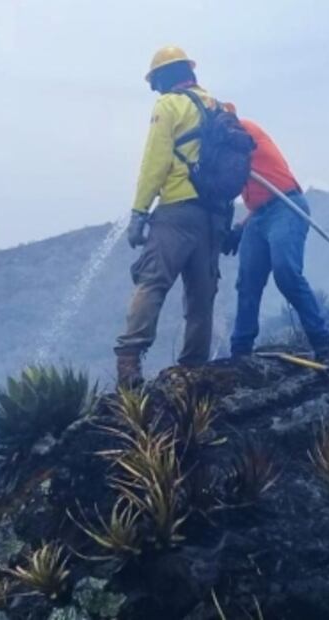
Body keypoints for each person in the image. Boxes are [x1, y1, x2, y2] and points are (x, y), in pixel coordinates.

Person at [114, 46, 231, 386]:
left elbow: (156, 161)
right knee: (202, 293)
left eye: (155, 82)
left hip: (177, 209)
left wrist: (139, 211)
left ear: (165, 77)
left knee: (152, 281)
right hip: (213, 217)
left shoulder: (169, 105)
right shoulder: (218, 107)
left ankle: (129, 362)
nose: (155, 90)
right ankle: (193, 368)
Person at [225, 119, 329, 360]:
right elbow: (256, 198)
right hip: (258, 215)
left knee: (286, 272)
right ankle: (240, 351)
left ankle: (322, 342)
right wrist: (239, 227)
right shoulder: (224, 148)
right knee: (248, 282)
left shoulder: (240, 130)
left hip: (286, 205)